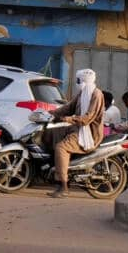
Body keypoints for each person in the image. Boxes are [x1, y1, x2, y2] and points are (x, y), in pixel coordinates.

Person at [45, 68, 105, 198]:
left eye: (78, 80)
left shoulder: (96, 94)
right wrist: (52, 113)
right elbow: (69, 107)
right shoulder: (83, 93)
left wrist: (67, 119)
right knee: (50, 133)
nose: (77, 83)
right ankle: (56, 167)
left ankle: (64, 186)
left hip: (88, 133)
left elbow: (88, 118)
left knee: (61, 147)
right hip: (77, 128)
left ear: (84, 80)